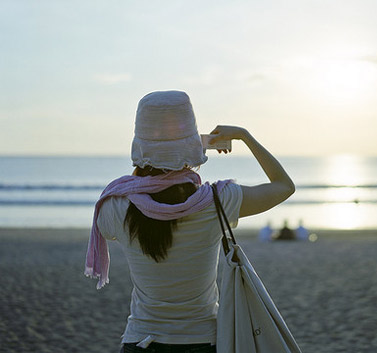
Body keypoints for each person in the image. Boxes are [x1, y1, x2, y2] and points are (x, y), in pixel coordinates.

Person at [84, 91, 295, 353]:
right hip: (202, 342)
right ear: (193, 145)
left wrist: (174, 151)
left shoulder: (115, 206)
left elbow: (144, 188)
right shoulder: (218, 200)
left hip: (141, 341)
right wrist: (244, 135)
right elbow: (284, 186)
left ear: (138, 147)